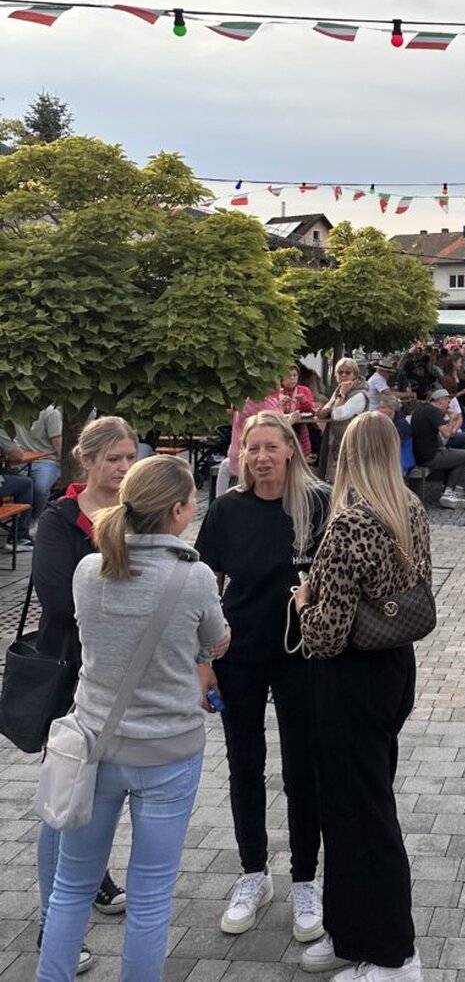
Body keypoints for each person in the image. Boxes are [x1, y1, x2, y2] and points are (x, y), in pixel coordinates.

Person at [36, 456, 227, 982]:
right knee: (150, 895)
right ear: (178, 510)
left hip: (94, 745)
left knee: (70, 886)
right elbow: (215, 639)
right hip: (168, 749)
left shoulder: (87, 570)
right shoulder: (194, 576)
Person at [294, 413, 428, 982]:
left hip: (351, 679)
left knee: (364, 815)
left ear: (346, 454)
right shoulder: (409, 508)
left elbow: (326, 634)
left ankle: (394, 955)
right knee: (356, 808)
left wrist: (304, 603)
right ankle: (351, 932)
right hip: (393, 667)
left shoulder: (349, 524)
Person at [195, 410, 329, 940]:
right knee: (245, 765)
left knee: (303, 769)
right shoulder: (227, 509)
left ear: (292, 449)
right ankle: (253, 872)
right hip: (240, 652)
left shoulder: (317, 504)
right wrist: (203, 660)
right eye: (253, 448)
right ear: (242, 454)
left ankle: (305, 878)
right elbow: (203, 584)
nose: (262, 457)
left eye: (272, 447)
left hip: (301, 653)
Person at [32, 416, 141, 974]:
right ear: (88, 461)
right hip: (71, 675)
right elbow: (57, 597)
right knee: (66, 796)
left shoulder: (139, 511)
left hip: (125, 676)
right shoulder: (61, 519)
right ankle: (52, 923)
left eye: (129, 458)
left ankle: (92, 877)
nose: (123, 468)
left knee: (103, 793)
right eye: (113, 459)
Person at [409, 388, 465, 508]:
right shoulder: (434, 411)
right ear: (440, 401)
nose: (449, 405)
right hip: (431, 456)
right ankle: (455, 491)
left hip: (420, 455)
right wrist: (451, 418)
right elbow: (447, 434)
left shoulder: (421, 408)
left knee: (461, 457)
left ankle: (449, 491)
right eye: (447, 402)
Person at [10, 402, 63, 529]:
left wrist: (64, 464)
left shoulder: (51, 413)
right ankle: (20, 526)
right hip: (20, 460)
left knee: (40, 488)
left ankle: (34, 521)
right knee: (21, 486)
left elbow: (58, 442)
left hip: (46, 461)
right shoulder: (12, 410)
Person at [317, 359, 369, 481]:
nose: (344, 375)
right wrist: (324, 411)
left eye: (348, 372)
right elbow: (328, 407)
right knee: (334, 477)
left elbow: (338, 415)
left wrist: (342, 395)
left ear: (355, 374)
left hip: (352, 441)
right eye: (340, 372)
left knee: (347, 478)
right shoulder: (339, 390)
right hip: (336, 440)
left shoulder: (359, 395)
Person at [277, 366, 316, 459]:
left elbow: (312, 411)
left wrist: (304, 402)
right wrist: (280, 404)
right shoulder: (277, 391)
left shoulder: (304, 390)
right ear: (281, 378)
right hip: (282, 426)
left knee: (301, 455)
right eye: (288, 375)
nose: (292, 378)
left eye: (295, 375)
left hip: (300, 426)